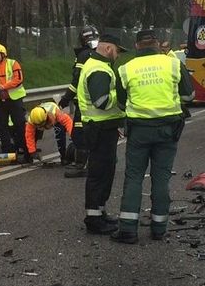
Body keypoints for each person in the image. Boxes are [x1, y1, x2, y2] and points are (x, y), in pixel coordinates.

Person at [111, 29, 194, 243]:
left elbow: (121, 102)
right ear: (158, 44)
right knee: (161, 178)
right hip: (168, 130)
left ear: (137, 45)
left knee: (134, 178)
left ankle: (128, 230)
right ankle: (159, 228)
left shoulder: (126, 68)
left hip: (139, 131)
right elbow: (188, 94)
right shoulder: (173, 63)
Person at [77, 33, 127, 235]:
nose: (118, 55)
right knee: (100, 174)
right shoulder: (99, 69)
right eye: (117, 51)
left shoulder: (96, 65)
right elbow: (102, 102)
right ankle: (94, 220)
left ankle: (99, 212)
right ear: (108, 48)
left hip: (99, 127)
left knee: (104, 173)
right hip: (99, 129)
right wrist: (122, 92)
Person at [58, 26, 100, 178]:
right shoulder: (99, 53)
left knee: (79, 134)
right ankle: (95, 162)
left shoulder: (83, 55)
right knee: (94, 132)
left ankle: (82, 166)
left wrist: (65, 99)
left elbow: (77, 81)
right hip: (96, 100)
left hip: (84, 102)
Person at [0, 43, 29, 161]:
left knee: (19, 125)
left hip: (14, 99)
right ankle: (8, 153)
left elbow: (18, 79)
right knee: (1, 127)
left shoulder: (13, 63)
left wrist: (4, 87)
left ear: (3, 54)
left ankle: (25, 151)